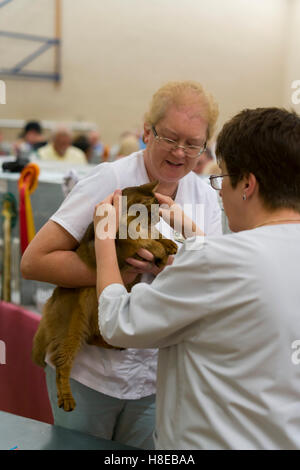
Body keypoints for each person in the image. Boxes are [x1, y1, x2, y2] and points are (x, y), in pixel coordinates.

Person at [20, 80, 222, 449]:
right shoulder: (110, 179)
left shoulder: (205, 196)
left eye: (193, 143)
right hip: (90, 374)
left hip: (158, 380)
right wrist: (119, 267)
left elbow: (214, 281)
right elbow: (34, 262)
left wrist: (175, 268)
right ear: (147, 131)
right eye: (170, 138)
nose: (180, 152)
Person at [94, 107, 300, 450]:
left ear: (247, 184)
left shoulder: (216, 261)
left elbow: (119, 322)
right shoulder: (228, 257)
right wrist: (194, 236)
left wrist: (104, 235)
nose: (218, 192)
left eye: (222, 179)